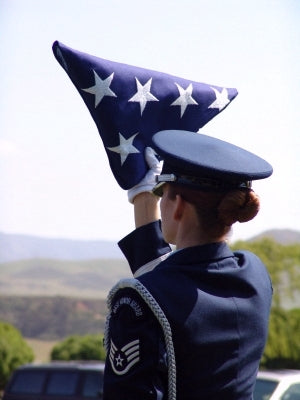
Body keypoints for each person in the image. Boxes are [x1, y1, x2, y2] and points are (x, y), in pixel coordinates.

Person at [103, 129, 273, 400]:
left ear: (178, 205)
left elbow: (165, 291)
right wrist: (145, 200)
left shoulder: (139, 300)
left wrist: (143, 195)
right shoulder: (254, 274)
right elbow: (173, 285)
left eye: (163, 192)